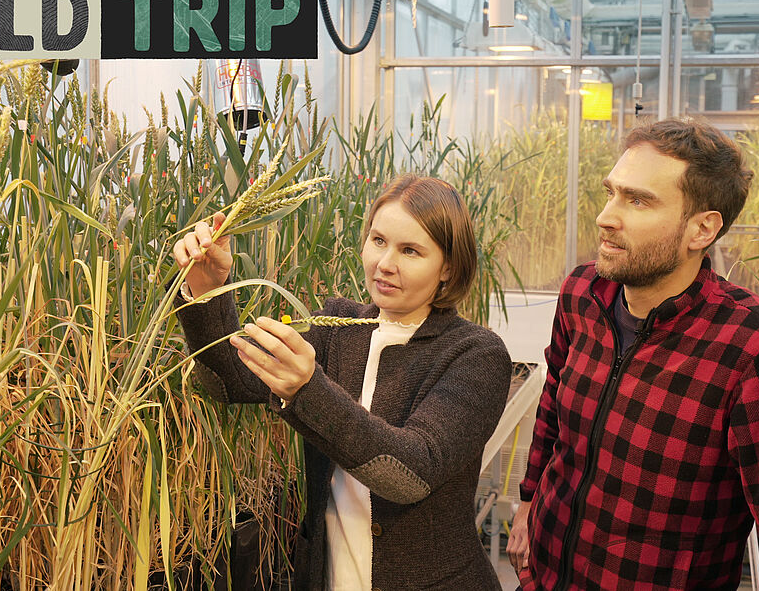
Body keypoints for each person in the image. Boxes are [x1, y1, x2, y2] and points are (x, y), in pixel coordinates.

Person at [506, 118, 759, 590]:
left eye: (638, 200)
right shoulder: (583, 292)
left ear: (702, 229)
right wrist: (528, 503)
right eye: (611, 192)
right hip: (546, 575)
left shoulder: (757, 351)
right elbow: (552, 408)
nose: (606, 216)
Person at [172, 174, 512, 590]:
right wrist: (205, 291)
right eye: (378, 240)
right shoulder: (338, 327)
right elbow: (230, 383)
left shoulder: (475, 355)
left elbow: (409, 474)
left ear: (449, 269)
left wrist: (307, 390)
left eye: (411, 250)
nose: (385, 263)